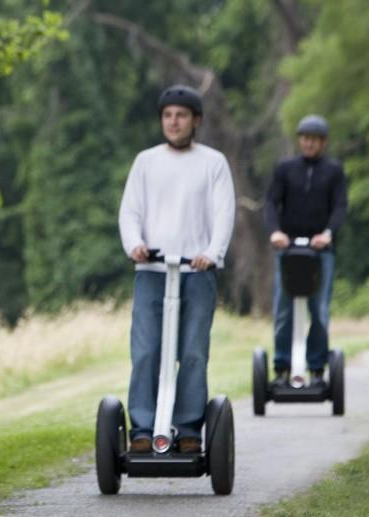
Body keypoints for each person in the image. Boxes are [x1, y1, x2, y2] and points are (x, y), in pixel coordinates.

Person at [119, 85, 235, 454]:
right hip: (152, 271)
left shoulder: (213, 162)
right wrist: (134, 245)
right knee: (146, 351)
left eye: (181, 115)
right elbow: (130, 212)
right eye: (168, 115)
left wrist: (212, 253)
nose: (173, 121)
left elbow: (223, 212)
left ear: (196, 121)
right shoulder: (146, 161)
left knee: (194, 352)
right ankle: (141, 428)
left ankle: (187, 429)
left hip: (197, 272)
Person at [265, 114, 347, 387]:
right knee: (283, 309)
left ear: (323, 142)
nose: (308, 144)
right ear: (300, 140)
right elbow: (271, 203)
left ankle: (316, 368)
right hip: (288, 249)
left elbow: (339, 208)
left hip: (320, 250)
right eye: (305, 138)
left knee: (319, 309)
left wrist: (327, 234)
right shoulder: (286, 168)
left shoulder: (333, 171)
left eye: (314, 139)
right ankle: (281, 366)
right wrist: (276, 231)